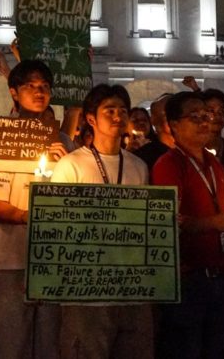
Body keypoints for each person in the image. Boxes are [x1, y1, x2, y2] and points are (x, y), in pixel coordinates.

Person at [51, 84, 153, 359]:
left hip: (130, 286)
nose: (118, 115)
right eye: (109, 110)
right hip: (86, 289)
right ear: (91, 119)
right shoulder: (70, 165)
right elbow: (57, 224)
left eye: (123, 110)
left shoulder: (138, 166)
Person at [152, 91, 224, 359]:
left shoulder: (215, 164)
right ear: (173, 125)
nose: (204, 121)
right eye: (194, 117)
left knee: (215, 350)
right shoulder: (169, 163)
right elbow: (167, 219)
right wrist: (213, 223)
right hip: (189, 277)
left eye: (206, 115)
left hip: (221, 275)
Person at [0, 60, 72, 359]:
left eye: (45, 87)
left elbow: (73, 200)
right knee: (10, 339)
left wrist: (65, 166)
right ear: (13, 92)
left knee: (50, 340)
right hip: (9, 256)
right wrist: (27, 216)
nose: (39, 92)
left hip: (52, 258)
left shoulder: (63, 143)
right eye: (31, 86)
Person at [135, 93, 174, 172]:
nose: (174, 119)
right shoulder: (142, 158)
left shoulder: (192, 151)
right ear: (153, 120)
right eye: (166, 115)